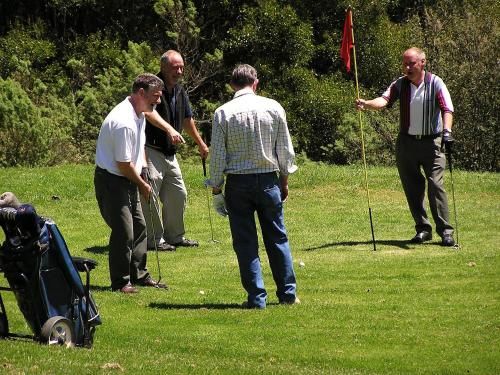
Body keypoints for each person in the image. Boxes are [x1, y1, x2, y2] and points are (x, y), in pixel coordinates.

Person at [208, 64, 299, 309]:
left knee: (245, 241)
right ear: (255, 83)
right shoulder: (273, 107)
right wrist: (284, 180)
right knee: (277, 237)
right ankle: (288, 294)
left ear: (231, 84)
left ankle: (257, 298)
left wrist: (216, 188)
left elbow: (217, 156)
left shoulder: (223, 113)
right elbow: (285, 150)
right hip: (268, 179)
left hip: (238, 183)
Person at [356, 47, 455, 246]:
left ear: (423, 62)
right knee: (412, 187)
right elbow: (383, 101)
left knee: (436, 185)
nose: (407, 67)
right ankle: (423, 229)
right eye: (405, 64)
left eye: (411, 63)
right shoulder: (400, 84)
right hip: (406, 142)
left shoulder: (436, 83)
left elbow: (447, 109)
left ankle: (445, 232)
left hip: (432, 142)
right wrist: (366, 104)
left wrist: (447, 132)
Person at [94, 73, 167, 294]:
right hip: (113, 181)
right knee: (124, 231)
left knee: (140, 226)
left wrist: (145, 170)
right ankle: (120, 282)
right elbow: (123, 164)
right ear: (141, 93)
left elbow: (139, 148)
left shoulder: (140, 114)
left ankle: (139, 274)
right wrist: (142, 185)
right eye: (155, 96)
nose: (159, 101)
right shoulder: (123, 121)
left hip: (129, 177)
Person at [141, 50, 209, 251]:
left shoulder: (180, 91)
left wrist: (200, 143)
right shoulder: (151, 87)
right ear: (163, 67)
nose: (179, 71)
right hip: (150, 149)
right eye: (174, 67)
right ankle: (154, 241)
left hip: (170, 153)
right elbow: (147, 111)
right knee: (150, 195)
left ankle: (175, 237)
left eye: (181, 67)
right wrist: (169, 128)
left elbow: (187, 119)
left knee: (178, 195)